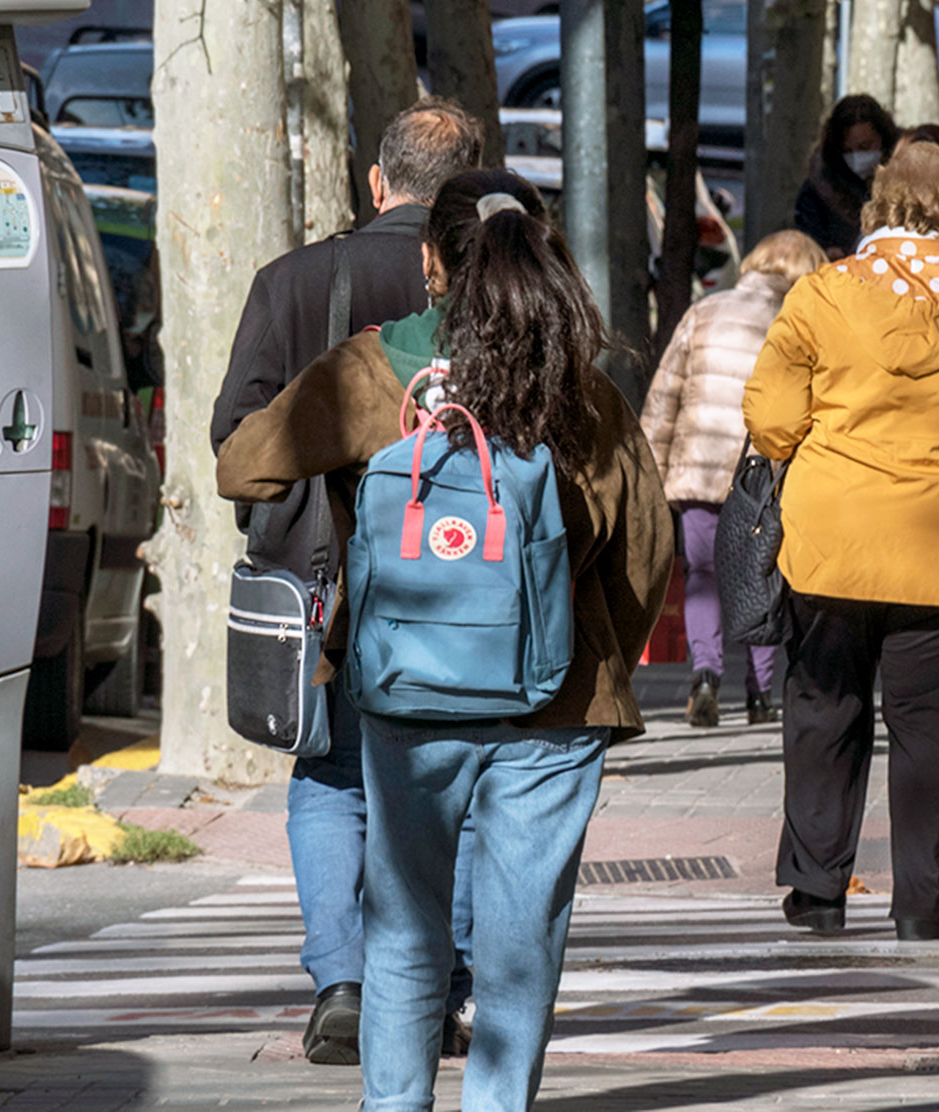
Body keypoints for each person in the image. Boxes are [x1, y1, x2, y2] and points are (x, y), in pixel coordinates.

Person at [216, 169, 672, 1111]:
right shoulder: (580, 389)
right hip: (556, 703)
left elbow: (243, 466)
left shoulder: (375, 370)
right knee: (520, 942)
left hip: (407, 688)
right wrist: (594, 660)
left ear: (432, 261)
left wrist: (367, 490)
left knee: (403, 928)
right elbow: (645, 549)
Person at [209, 97, 485, 1064]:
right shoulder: (500, 287)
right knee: (456, 783)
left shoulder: (292, 282)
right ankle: (444, 985)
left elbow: (234, 436)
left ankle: (343, 979)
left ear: (376, 182)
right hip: (471, 581)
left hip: (330, 589)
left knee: (331, 778)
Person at [745, 142, 939, 942]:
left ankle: (817, 887)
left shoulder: (825, 291)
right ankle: (919, 899)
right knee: (929, 725)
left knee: (824, 708)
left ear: (881, 203)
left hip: (833, 540)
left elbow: (772, 420)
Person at [641, 230, 825, 728]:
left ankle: (705, 675)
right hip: (762, 478)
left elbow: (665, 395)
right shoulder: (800, 319)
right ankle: (759, 693)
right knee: (762, 579)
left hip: (698, 467)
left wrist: (653, 467)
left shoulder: (704, 311)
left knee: (701, 576)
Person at [793, 94, 900, 258]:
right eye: (848, 151)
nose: (857, 157)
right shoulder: (817, 191)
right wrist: (824, 253)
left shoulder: (905, 181)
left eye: (865, 147)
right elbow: (806, 243)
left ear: (884, 139)